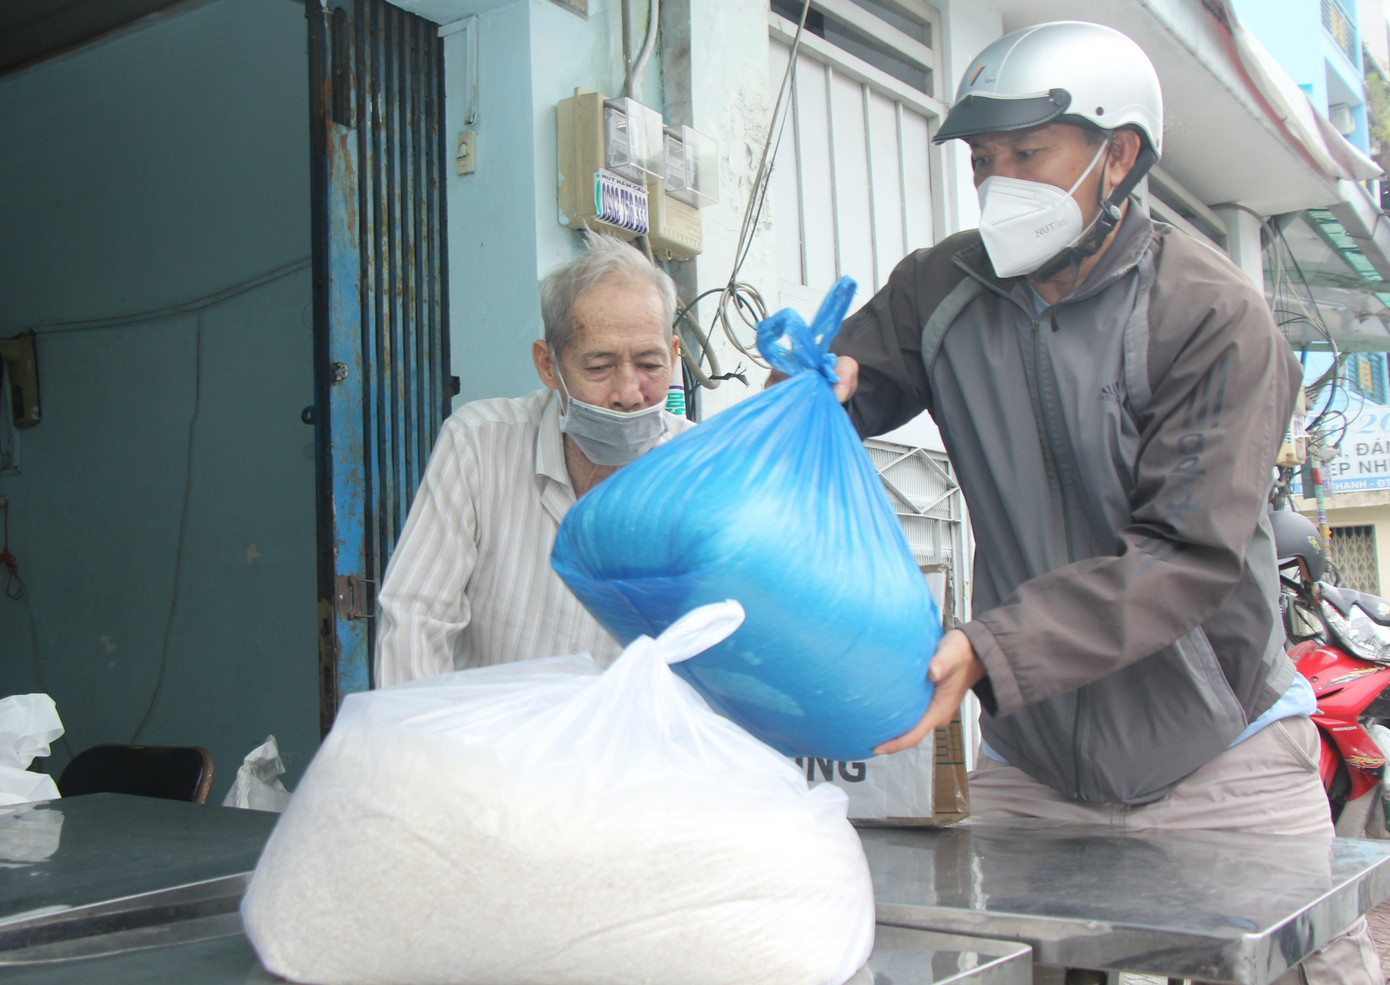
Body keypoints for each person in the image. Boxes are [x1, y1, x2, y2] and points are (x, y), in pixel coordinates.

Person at [826, 21, 1380, 984]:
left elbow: (1182, 557)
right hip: (1037, 762)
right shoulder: (940, 288)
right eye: (983, 159)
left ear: (1118, 155)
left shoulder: (1212, 314)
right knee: (994, 964)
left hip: (1222, 753)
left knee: (1305, 963)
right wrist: (808, 385)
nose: (998, 181)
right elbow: (848, 387)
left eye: (1027, 154)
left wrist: (991, 648)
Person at [374, 233, 691, 686]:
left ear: (674, 356)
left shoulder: (701, 471)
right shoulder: (479, 446)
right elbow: (414, 622)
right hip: (491, 730)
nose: (628, 393)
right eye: (598, 367)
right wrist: (426, 731)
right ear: (548, 365)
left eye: (650, 365)